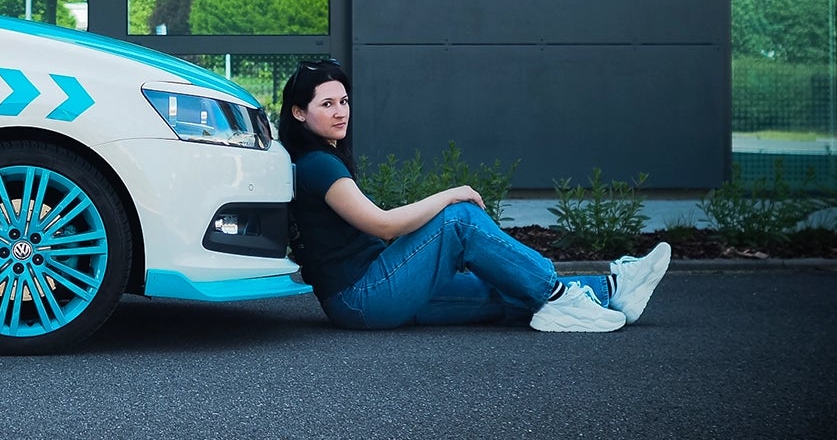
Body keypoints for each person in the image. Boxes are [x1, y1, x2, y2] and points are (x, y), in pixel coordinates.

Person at [278, 59, 669, 333]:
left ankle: (614, 291)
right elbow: (384, 226)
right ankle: (558, 295)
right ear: (299, 113)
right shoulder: (318, 165)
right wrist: (451, 194)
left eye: (344, 101)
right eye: (326, 104)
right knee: (459, 218)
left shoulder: (318, 158)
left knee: (499, 288)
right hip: (364, 296)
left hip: (370, 294)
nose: (340, 112)